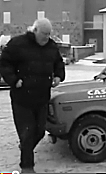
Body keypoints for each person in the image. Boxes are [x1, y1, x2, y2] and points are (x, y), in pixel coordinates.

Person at [0, 18, 65, 173]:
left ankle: (25, 147)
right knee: (27, 133)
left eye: (49, 34)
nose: (46, 37)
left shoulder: (51, 46)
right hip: (22, 98)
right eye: (44, 33)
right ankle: (27, 167)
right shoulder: (18, 44)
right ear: (34, 31)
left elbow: (59, 62)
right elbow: (4, 63)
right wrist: (14, 80)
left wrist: (58, 76)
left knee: (40, 131)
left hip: (42, 97)